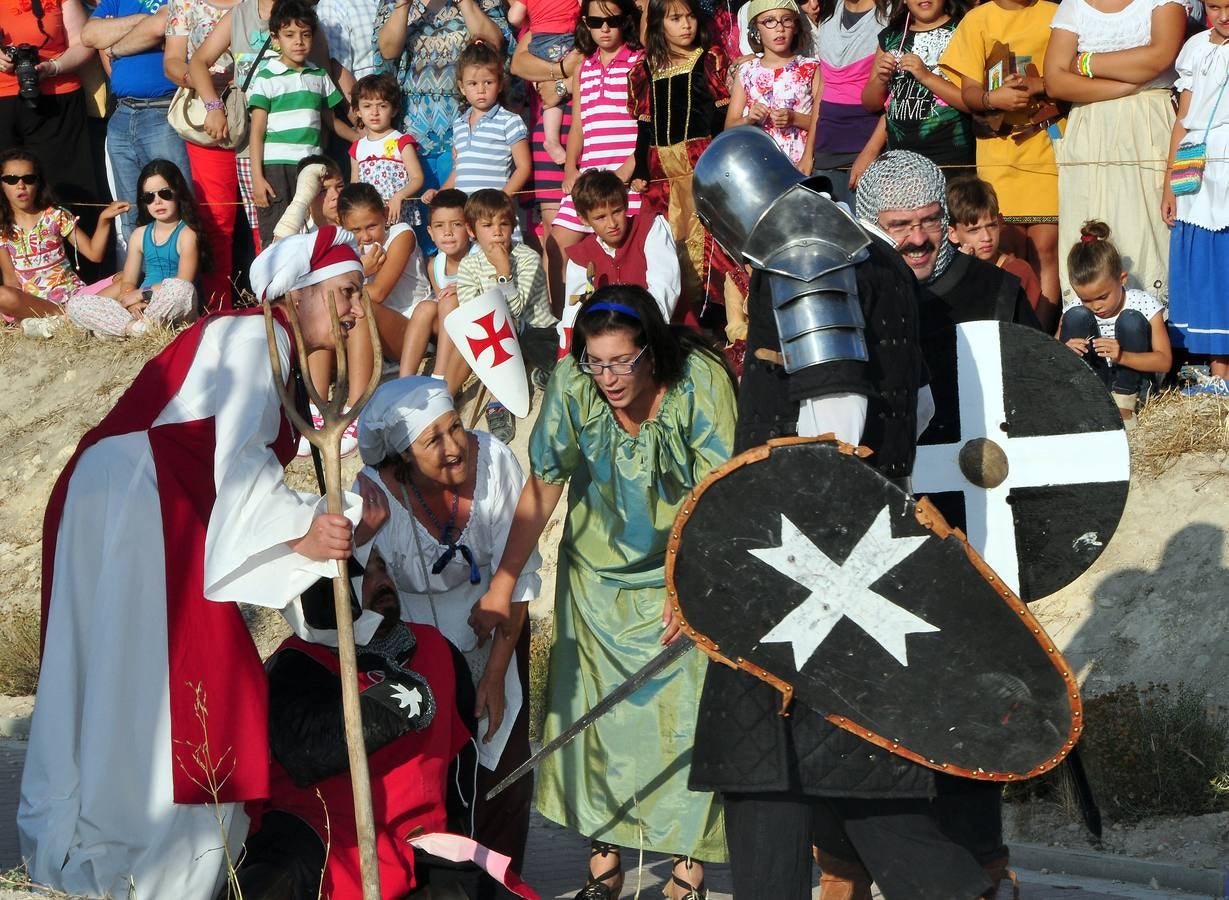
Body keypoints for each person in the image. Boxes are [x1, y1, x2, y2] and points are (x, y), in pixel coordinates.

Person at [18, 226, 381, 900]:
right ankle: (145, 859)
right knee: (174, 683)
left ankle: (107, 850)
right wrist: (305, 531)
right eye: (346, 293)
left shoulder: (266, 341)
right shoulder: (262, 337)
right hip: (145, 503)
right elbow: (237, 462)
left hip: (136, 500)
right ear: (300, 293)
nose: (357, 310)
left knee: (117, 678)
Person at [478, 285, 735, 899]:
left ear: (653, 350)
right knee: (597, 723)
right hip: (596, 575)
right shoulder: (575, 384)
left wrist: (692, 584)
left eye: (622, 361)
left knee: (687, 721)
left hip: (686, 567)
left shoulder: (701, 382)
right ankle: (603, 863)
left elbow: (724, 492)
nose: (609, 377)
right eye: (597, 361)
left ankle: (687, 870)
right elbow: (543, 485)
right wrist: (505, 580)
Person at [234, 546, 536, 900]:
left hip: (414, 844)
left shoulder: (436, 649)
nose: (382, 581)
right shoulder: (297, 664)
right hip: (321, 842)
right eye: (365, 574)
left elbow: (459, 776)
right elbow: (308, 752)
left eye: (383, 568)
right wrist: (398, 701)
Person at [354, 375, 542, 874]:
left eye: (455, 427)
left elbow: (518, 569)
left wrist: (496, 675)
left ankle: (504, 882)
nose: (454, 445)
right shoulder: (375, 494)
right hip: (416, 645)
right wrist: (361, 537)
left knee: (504, 770)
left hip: (498, 624)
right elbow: (360, 593)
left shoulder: (495, 460)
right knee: (434, 778)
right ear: (400, 457)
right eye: (432, 440)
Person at [1044, 0, 1185, 308]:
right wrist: (1128, 85)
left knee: (1147, 225)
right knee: (1093, 215)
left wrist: (1083, 63)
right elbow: (1054, 80)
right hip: (1091, 127)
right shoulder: (1073, 6)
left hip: (1147, 124)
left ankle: (1153, 323)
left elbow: (1160, 57)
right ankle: (1093, 320)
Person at [186, 0, 337, 253]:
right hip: (253, 148)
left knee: (309, 229)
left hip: (303, 149)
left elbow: (322, 79)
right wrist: (214, 106)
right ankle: (273, 291)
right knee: (266, 231)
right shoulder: (239, 17)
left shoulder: (303, 17)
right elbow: (198, 61)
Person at [940, 0, 1062, 308]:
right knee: (1004, 246)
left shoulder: (1057, 13)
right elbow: (969, 92)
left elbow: (1073, 73)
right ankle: (1011, 335)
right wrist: (993, 98)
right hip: (998, 149)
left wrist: (1038, 85)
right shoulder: (977, 19)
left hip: (1047, 141)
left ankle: (1040, 338)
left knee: (1046, 249)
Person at [374, 0, 512, 251]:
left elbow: (496, 43)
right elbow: (386, 50)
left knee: (462, 226)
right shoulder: (395, 3)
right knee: (427, 228)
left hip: (465, 133)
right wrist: (403, 6)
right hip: (413, 138)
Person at [629, 0, 738, 318]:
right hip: (662, 169)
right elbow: (645, 126)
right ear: (660, 24)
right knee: (668, 238)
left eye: (690, 16)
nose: (686, 25)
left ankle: (719, 317)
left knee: (712, 243)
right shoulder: (647, 69)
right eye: (676, 19)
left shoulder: (707, 60)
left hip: (701, 163)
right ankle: (679, 317)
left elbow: (720, 117)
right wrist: (639, 167)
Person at [81, 0, 192, 256]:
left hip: (164, 111)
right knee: (131, 210)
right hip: (122, 113)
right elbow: (90, 35)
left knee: (175, 206)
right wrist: (145, 23)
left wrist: (116, 45)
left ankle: (183, 287)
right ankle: (140, 285)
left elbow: (164, 22)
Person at [454, 189, 558, 441]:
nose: (498, 232)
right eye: (487, 225)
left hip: (535, 332)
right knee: (491, 341)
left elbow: (516, 310)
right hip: (498, 337)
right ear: (471, 231)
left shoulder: (527, 258)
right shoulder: (469, 265)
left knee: (550, 357)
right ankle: (498, 400)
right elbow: (472, 311)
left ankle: (544, 372)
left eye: (504, 224)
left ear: (513, 227)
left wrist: (503, 271)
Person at [1163, 0, 1229, 392]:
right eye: (1215, 6)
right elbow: (1183, 119)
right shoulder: (1196, 47)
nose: (1224, 15)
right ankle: (1219, 372)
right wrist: (1169, 181)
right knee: (1206, 265)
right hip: (1197, 163)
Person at [164, 0, 247, 308]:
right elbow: (172, 61)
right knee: (217, 221)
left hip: (265, 113)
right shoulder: (185, 3)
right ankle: (219, 310)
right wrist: (200, 82)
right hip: (210, 121)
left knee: (266, 215)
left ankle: (273, 308)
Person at [548, 0, 644, 259]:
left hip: (627, 178)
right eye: (595, 22)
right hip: (588, 178)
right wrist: (569, 168)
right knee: (555, 250)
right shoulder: (583, 68)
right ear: (585, 24)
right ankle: (561, 303)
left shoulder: (640, 62)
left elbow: (649, 124)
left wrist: (629, 168)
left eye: (612, 21)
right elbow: (578, 125)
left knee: (627, 255)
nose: (604, 28)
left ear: (624, 21)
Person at [247, 0, 345, 248]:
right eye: (289, 35)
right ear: (275, 38)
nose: (298, 41)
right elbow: (257, 132)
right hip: (276, 167)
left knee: (312, 229)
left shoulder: (319, 75)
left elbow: (330, 120)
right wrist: (257, 178)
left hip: (311, 166)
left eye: (305, 34)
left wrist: (359, 137)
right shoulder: (267, 77)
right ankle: (276, 287)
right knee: (278, 233)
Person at [66, 158, 203, 336]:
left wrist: (142, 295)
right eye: (149, 197)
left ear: (178, 194)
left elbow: (183, 282)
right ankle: (137, 328)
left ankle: (128, 329)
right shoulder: (139, 234)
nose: (158, 201)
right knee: (77, 304)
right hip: (139, 307)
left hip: (168, 304)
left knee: (181, 289)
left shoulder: (187, 234)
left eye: (165, 194)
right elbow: (129, 281)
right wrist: (131, 300)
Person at [1059, 220, 1172, 425]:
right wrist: (1064, 351)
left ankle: (1124, 408)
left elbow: (1164, 361)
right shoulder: (1076, 307)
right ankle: (1083, 399)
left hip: (1135, 386)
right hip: (1095, 385)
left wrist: (1122, 356)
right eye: (1086, 299)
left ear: (1122, 279)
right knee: (1076, 315)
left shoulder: (1143, 304)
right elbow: (1049, 353)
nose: (1095, 306)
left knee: (1130, 319)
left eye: (1102, 297)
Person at [0, 148, 127, 327]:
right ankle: (68, 315)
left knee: (127, 277)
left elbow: (94, 254)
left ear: (38, 183)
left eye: (28, 179)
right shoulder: (2, 229)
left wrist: (104, 219)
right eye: (11, 180)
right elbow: (10, 281)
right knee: (3, 295)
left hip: (74, 295)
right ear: (2, 185)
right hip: (33, 303)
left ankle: (66, 316)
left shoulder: (56, 215)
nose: (21, 185)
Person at [0, 0, 100, 219]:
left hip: (57, 98)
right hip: (3, 102)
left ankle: (76, 250)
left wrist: (53, 67)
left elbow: (83, 43)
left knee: (66, 188)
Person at [561, 169, 681, 351]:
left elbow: (665, 290)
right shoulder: (580, 257)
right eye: (600, 217)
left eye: (617, 212)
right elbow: (573, 314)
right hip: (609, 353)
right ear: (583, 219)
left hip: (665, 339)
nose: (612, 224)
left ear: (625, 204)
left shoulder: (651, 229)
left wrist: (637, 337)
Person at [858, 0, 974, 178]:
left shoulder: (964, 30)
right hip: (902, 161)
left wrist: (925, 76)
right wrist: (881, 80)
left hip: (952, 159)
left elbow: (973, 103)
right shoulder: (891, 37)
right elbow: (870, 104)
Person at [420, 41, 532, 208]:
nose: (481, 89)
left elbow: (524, 167)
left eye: (488, 82)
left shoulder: (510, 121)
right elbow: (459, 170)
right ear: (462, 87)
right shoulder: (459, 125)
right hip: (466, 217)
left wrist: (502, 200)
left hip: (495, 217)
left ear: (500, 84)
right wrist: (441, 193)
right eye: (473, 83)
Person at [338, 182, 434, 377]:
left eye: (371, 226)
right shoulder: (344, 248)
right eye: (355, 230)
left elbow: (379, 293)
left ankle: (355, 399)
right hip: (375, 336)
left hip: (414, 332)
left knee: (361, 306)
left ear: (384, 214)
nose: (365, 236)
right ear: (342, 225)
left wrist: (358, 273)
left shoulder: (401, 235)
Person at [797, 0, 886, 203]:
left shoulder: (890, 16)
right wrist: (808, 152)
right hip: (826, 148)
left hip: (867, 147)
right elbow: (824, 88)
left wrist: (870, 152)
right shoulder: (829, 15)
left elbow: (896, 97)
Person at [946, 173, 1049, 327]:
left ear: (1000, 222)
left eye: (991, 225)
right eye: (974, 230)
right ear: (953, 234)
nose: (986, 237)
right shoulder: (946, 272)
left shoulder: (1017, 271)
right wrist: (960, 271)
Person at [728, 0, 820, 167]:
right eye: (769, 21)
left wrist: (794, 118)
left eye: (786, 20)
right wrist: (749, 118)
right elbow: (729, 127)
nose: (779, 28)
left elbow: (822, 122)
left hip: (800, 164)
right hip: (758, 167)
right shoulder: (747, 71)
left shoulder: (811, 68)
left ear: (796, 26)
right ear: (756, 28)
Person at [508, 0, 582, 165]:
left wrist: (558, 84)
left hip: (540, 39)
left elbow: (513, 17)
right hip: (564, 37)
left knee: (550, 100)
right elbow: (517, 65)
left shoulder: (530, 27)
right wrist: (561, 72)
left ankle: (551, 139)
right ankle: (552, 140)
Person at [349, 72, 425, 227]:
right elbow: (354, 186)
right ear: (357, 111)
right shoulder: (357, 147)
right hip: (369, 221)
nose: (375, 112)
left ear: (394, 110)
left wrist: (399, 196)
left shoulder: (401, 141)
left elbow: (417, 178)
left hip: (397, 218)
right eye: (367, 106)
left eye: (382, 106)